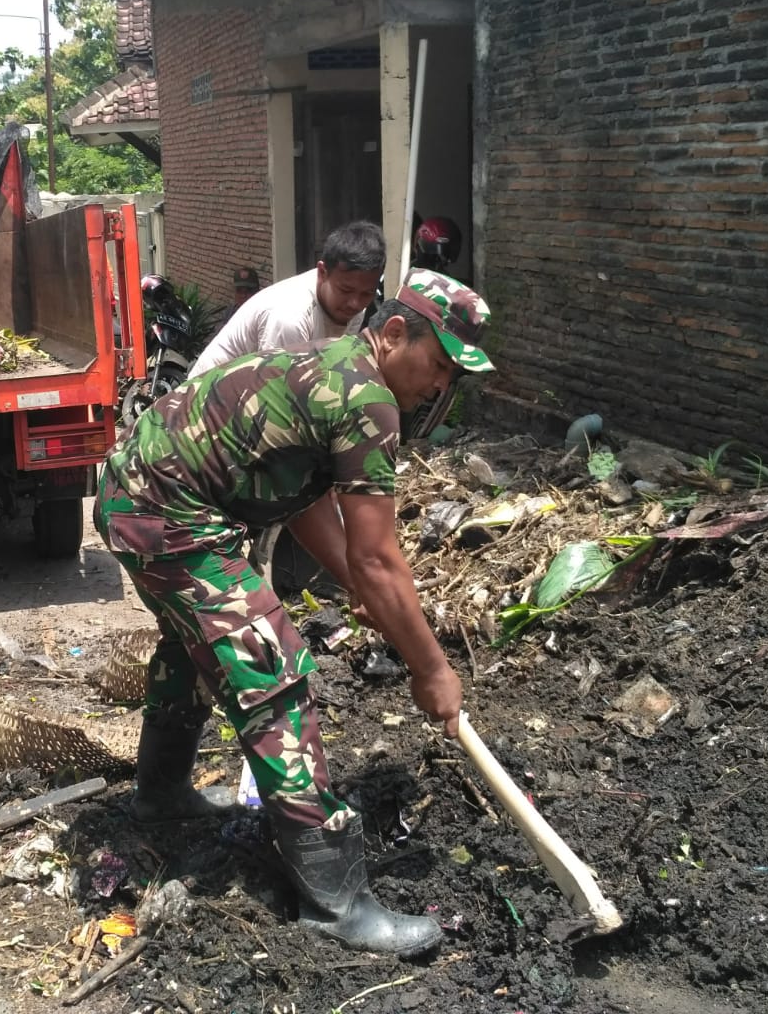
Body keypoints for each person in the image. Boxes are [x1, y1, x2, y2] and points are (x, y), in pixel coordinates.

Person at [95, 269, 494, 958]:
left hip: (141, 494)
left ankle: (160, 795)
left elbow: (305, 499)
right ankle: (338, 905)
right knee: (271, 673)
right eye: (439, 366)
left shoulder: (337, 368)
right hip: (168, 514)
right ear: (395, 333)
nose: (440, 388)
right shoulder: (368, 400)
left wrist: (362, 592)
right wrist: (431, 668)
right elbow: (380, 558)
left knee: (194, 645)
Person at [189, 221, 384, 377]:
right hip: (205, 406)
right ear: (322, 272)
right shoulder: (290, 316)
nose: (355, 303)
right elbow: (277, 399)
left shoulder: (354, 306)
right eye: (345, 290)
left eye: (366, 294)